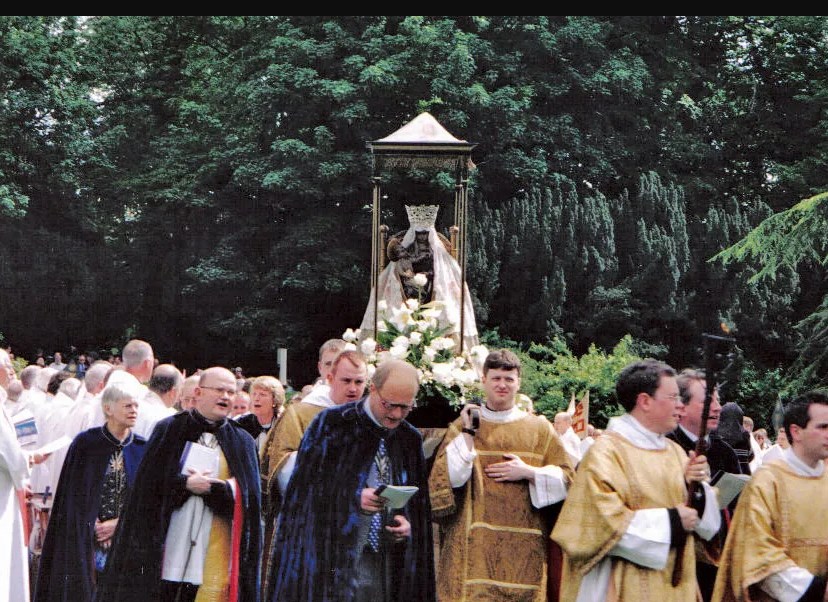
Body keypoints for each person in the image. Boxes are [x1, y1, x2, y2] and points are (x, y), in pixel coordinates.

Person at [551, 359, 720, 601]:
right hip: (623, 584)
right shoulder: (606, 452)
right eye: (673, 397)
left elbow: (706, 526)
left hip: (675, 585)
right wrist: (671, 521)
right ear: (645, 401)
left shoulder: (675, 452)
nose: (680, 406)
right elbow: (598, 523)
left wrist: (697, 489)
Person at [267, 359, 434, 602]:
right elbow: (302, 493)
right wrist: (352, 497)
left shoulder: (409, 438)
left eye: (406, 407)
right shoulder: (332, 425)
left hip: (386, 563)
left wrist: (408, 525)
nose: (396, 414)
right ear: (373, 389)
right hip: (333, 559)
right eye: (390, 405)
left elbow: (419, 506)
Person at [95, 367, 262, 602]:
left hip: (216, 547)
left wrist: (219, 489)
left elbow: (250, 497)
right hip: (170, 545)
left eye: (230, 392)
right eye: (219, 390)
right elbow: (146, 487)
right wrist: (184, 484)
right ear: (198, 392)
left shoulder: (241, 440)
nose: (225, 397)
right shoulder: (170, 429)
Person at [429, 349, 574, 601]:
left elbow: (568, 479)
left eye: (509, 379)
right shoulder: (463, 425)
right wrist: (468, 433)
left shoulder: (539, 429)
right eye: (496, 378)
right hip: (475, 546)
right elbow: (447, 480)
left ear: (519, 382)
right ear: (483, 380)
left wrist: (529, 472)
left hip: (523, 549)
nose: (502, 385)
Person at [712, 391, 828, 601]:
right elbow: (756, 551)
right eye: (822, 427)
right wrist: (815, 590)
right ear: (796, 432)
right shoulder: (767, 481)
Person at [35, 386, 147, 602]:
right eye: (127, 406)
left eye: (136, 406)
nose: (134, 410)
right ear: (108, 408)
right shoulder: (86, 444)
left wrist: (118, 524)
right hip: (87, 536)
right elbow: (72, 496)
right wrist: (92, 524)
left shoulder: (141, 447)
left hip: (125, 538)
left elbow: (145, 500)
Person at [667, 368, 742, 601]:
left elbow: (738, 505)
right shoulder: (668, 447)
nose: (718, 407)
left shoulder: (724, 451)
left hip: (720, 552)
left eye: (718, 399)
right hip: (678, 559)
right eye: (708, 401)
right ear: (682, 406)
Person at [360, 204, 478, 350]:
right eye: (419, 233)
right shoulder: (406, 249)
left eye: (425, 233)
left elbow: (441, 272)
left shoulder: (436, 251)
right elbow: (400, 269)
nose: (422, 236)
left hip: (431, 285)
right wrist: (410, 277)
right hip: (409, 286)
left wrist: (427, 275)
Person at [262, 349, 368, 499]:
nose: (353, 388)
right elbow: (282, 465)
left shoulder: (367, 417)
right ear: (330, 379)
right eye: (346, 381)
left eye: (359, 382)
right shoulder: (300, 414)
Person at [236, 376, 284, 452]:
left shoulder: (283, 424)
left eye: (262, 394)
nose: (256, 398)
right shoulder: (240, 424)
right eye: (254, 394)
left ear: (275, 400)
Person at [716, 402, 754, 475]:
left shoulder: (716, 434)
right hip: (742, 475)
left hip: (721, 476)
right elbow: (751, 455)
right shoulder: (745, 435)